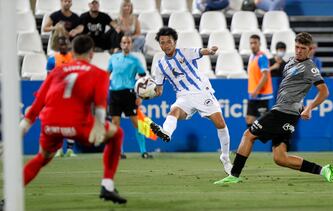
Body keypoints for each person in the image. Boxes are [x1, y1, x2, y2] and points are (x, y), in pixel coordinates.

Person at [214, 32, 333, 185]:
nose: (299, 50)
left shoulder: (310, 68)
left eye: (303, 48)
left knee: (248, 135)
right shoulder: (290, 62)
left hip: (282, 112)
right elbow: (293, 86)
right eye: (297, 47)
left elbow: (324, 91)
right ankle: (323, 170)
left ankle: (234, 174)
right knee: (280, 158)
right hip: (288, 114)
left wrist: (310, 107)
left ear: (309, 49)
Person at [19, 35, 127, 204]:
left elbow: (38, 102)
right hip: (77, 124)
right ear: (91, 54)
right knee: (117, 134)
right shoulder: (98, 74)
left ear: (73, 52)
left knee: (42, 157)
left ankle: (9, 197)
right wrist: (99, 126)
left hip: (50, 124)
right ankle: (107, 185)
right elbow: (99, 105)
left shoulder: (57, 71)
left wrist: (23, 127)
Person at [149, 27, 233, 174]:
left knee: (220, 124)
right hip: (183, 97)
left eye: (169, 42)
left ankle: (225, 157)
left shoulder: (185, 52)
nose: (166, 45)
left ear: (175, 42)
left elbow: (201, 51)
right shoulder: (160, 66)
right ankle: (166, 132)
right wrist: (149, 92)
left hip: (201, 91)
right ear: (160, 45)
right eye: (162, 43)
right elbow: (159, 90)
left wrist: (210, 50)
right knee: (173, 111)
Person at [108, 34, 153, 159]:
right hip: (114, 93)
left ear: (131, 44)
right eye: (124, 42)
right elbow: (107, 73)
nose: (126, 44)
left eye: (128, 42)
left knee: (136, 123)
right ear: (121, 44)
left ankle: (143, 151)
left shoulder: (135, 60)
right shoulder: (113, 58)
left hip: (129, 94)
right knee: (115, 123)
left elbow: (143, 78)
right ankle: (119, 152)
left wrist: (140, 96)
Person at [246, 34, 273, 129]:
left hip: (261, 95)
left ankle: (278, 140)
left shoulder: (262, 57)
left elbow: (265, 76)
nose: (253, 45)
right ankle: (248, 142)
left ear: (259, 44)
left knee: (265, 123)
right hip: (253, 95)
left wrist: (256, 90)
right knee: (249, 119)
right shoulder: (252, 57)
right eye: (251, 43)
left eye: (255, 43)